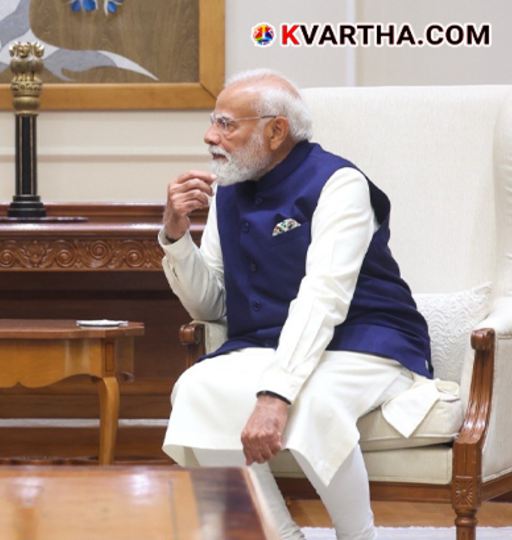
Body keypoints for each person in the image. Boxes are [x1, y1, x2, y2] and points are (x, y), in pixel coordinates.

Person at [160, 69, 446, 540]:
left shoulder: (340, 184)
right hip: (269, 343)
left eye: (227, 124)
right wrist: (175, 234)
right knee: (195, 388)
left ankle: (358, 535)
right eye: (213, 122)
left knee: (312, 402)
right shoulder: (228, 187)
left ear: (276, 131)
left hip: (367, 339)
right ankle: (273, 533)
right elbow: (211, 305)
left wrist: (276, 395)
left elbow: (323, 297)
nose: (211, 136)